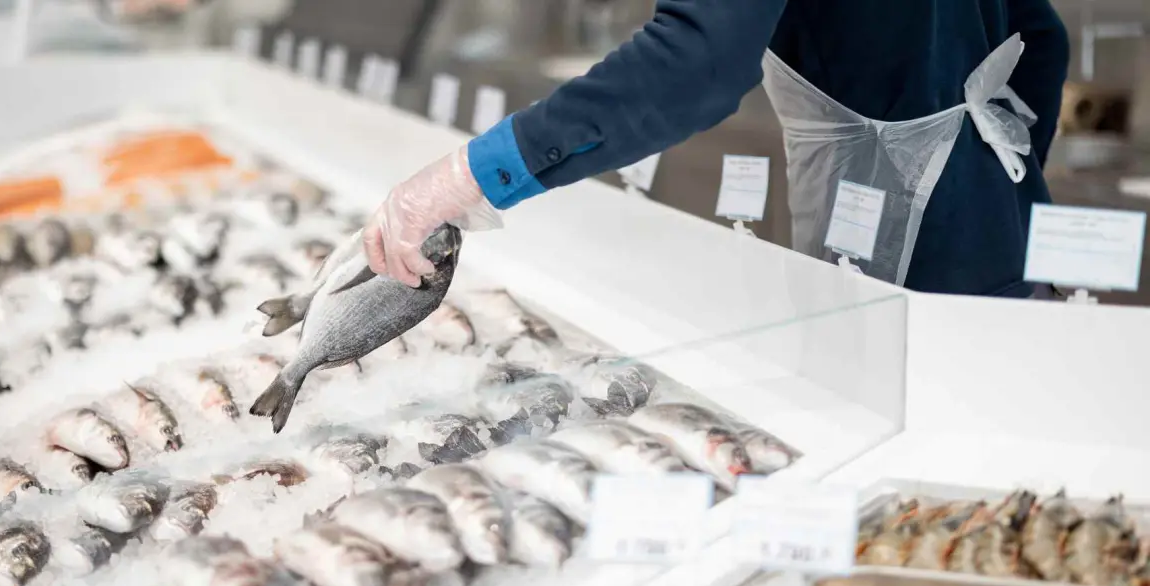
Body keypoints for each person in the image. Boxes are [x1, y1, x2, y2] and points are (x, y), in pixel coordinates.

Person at [359, 0, 1069, 298]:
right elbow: (1040, 39)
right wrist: (997, 186)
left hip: (904, 249)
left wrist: (471, 175)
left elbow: (692, 67)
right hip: (1001, 229)